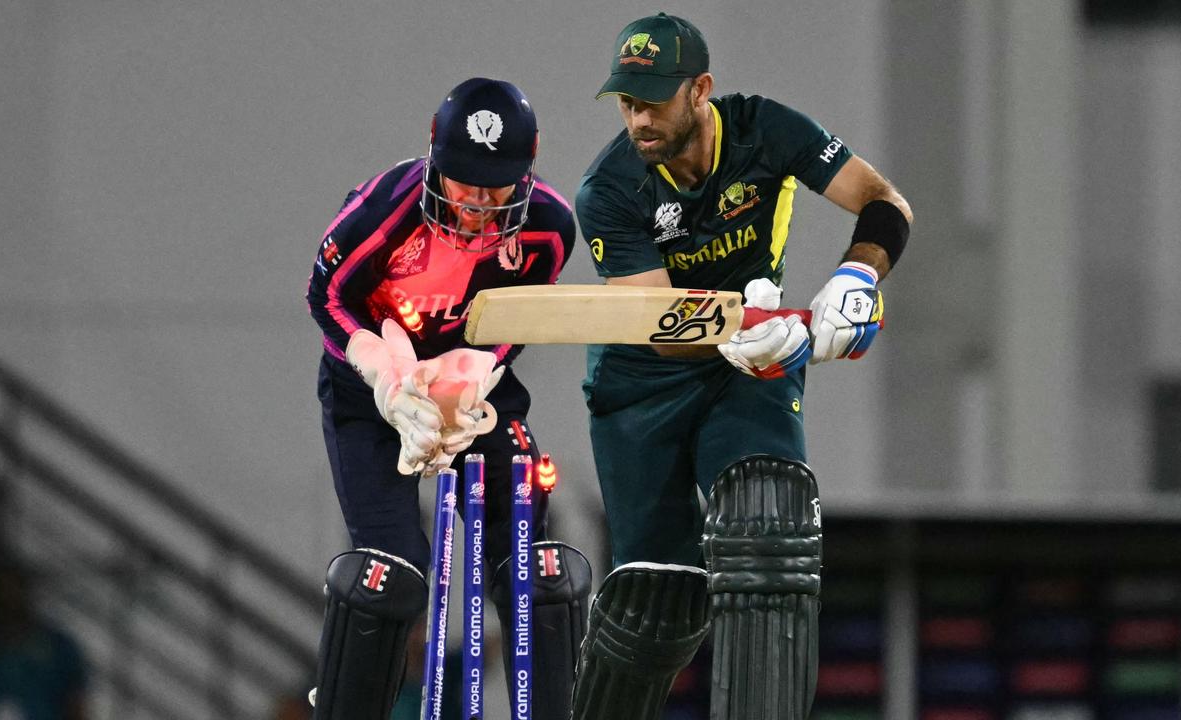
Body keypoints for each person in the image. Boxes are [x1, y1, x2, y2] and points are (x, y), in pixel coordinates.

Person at [569, 14, 913, 720]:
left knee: (769, 525)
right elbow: (662, 330)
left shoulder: (766, 130)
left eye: (655, 100)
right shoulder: (608, 189)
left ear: (701, 90)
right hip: (642, 385)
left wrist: (857, 277)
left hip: (753, 363)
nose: (639, 119)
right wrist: (764, 329)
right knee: (655, 601)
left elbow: (885, 202)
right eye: (628, 103)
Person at [303, 77, 591, 720]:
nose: (478, 204)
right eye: (463, 182)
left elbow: (514, 323)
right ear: (436, 156)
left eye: (497, 185)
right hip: (371, 391)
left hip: (468, 383)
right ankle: (344, 701)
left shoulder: (548, 227)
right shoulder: (384, 209)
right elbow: (326, 298)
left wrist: (472, 379)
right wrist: (384, 376)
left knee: (528, 562)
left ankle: (556, 705)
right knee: (392, 573)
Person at [0, 561, 89, 720]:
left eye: (13, 594)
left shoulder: (58, 648)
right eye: (1, 598)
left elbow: (76, 705)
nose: (8, 601)